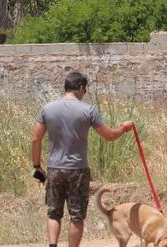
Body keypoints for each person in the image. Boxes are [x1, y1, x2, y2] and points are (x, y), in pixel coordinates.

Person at [31, 71, 134, 247]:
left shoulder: (47, 108)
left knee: (54, 213)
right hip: (78, 170)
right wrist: (123, 129)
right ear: (80, 88)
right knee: (77, 216)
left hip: (54, 168)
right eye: (84, 90)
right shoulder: (88, 110)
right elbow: (108, 135)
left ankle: (53, 245)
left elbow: (35, 139)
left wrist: (37, 165)